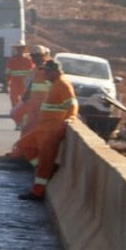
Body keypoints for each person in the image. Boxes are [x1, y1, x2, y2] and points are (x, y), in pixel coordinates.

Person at [19, 59, 78, 203]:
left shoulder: (62, 84)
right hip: (44, 127)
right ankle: (44, 168)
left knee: (46, 160)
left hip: (53, 129)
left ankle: (37, 193)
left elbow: (72, 103)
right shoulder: (54, 83)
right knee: (23, 145)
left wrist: (71, 117)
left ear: (55, 71)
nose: (44, 73)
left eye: (46, 71)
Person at [4, 43, 34, 110]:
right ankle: (15, 110)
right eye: (18, 48)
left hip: (25, 83)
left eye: (21, 48)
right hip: (15, 82)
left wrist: (30, 83)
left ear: (24, 49)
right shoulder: (12, 60)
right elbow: (8, 73)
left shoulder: (28, 60)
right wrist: (6, 84)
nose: (20, 50)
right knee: (14, 97)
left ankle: (24, 110)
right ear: (16, 49)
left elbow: (32, 72)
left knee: (26, 98)